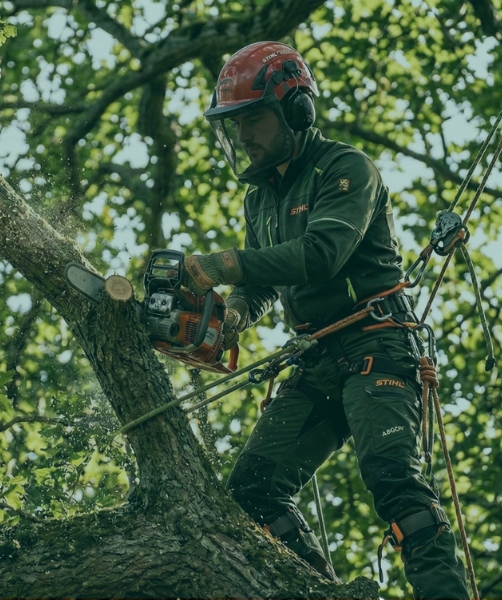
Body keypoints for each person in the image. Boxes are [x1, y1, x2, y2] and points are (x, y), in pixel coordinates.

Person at [177, 41, 469, 598]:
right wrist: (236, 313)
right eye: (233, 124)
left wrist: (221, 264)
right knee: (251, 492)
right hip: (318, 362)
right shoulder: (260, 197)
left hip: (378, 346)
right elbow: (262, 282)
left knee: (392, 477)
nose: (242, 136)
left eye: (253, 119)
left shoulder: (345, 168)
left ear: (295, 109)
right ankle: (322, 592)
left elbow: (320, 255)